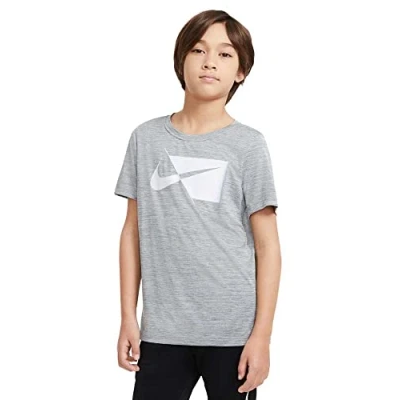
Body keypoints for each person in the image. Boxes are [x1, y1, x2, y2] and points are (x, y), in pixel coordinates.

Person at [114, 9, 281, 400]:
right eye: (198, 50)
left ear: (241, 71)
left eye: (225, 54)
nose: (209, 62)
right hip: (162, 331)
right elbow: (132, 232)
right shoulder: (146, 139)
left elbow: (268, 246)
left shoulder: (249, 145)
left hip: (233, 334)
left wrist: (262, 336)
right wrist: (127, 317)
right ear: (181, 60)